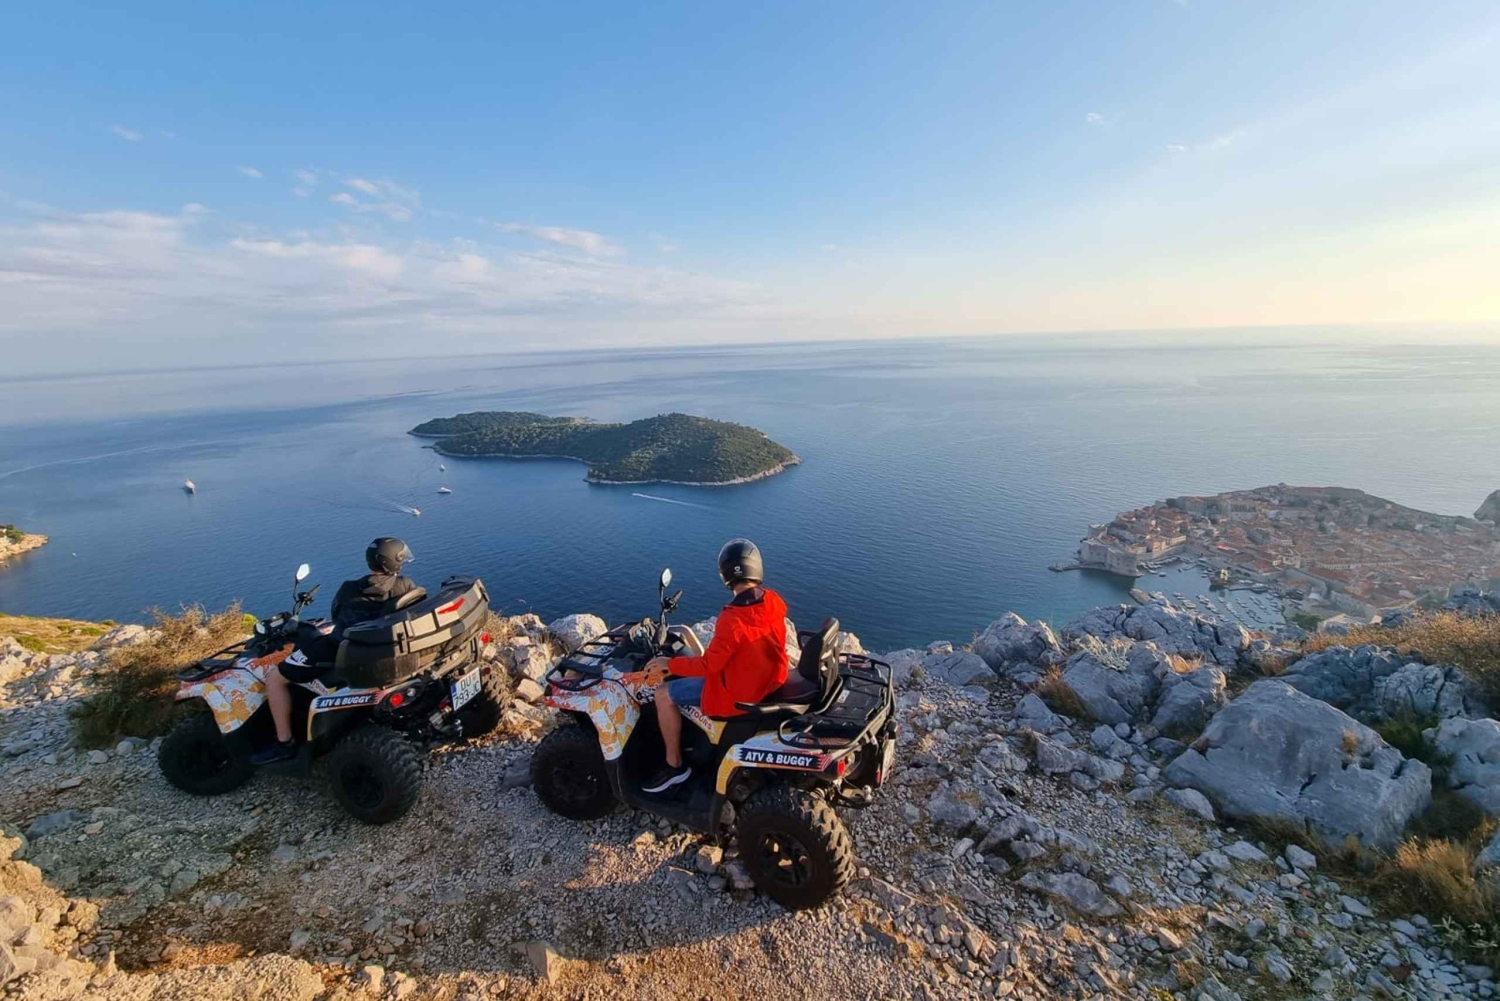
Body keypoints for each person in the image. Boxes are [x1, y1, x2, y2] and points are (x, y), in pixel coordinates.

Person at [248, 538, 417, 764]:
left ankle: (284, 742)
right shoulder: (405, 586)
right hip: (385, 649)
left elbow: (336, 616)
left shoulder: (349, 588)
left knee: (275, 678)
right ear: (394, 564)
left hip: (342, 649)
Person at [642, 539, 789, 793]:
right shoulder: (774, 600)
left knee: (663, 694)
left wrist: (669, 664)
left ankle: (674, 764)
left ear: (727, 574)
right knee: (689, 664)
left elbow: (710, 666)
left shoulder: (732, 619)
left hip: (737, 693)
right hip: (766, 678)